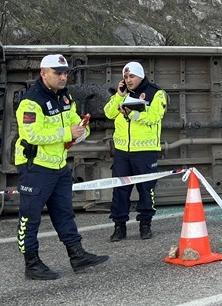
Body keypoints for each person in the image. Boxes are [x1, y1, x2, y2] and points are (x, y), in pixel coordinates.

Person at [16, 54, 109, 280]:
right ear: (43, 73)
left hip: (58, 165)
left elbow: (74, 122)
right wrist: (68, 133)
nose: (63, 77)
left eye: (65, 73)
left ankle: (77, 255)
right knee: (30, 217)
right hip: (35, 167)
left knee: (65, 213)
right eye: (57, 73)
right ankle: (32, 264)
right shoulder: (31, 101)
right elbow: (32, 134)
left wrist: (82, 130)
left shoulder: (65, 97)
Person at [104, 61, 169, 241]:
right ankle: (119, 226)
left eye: (131, 76)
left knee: (146, 190)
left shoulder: (156, 93)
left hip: (145, 151)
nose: (128, 80)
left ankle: (145, 225)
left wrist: (131, 113)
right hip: (122, 152)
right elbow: (108, 113)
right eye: (125, 77)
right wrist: (118, 96)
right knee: (120, 191)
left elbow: (155, 117)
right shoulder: (122, 93)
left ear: (141, 76)